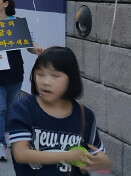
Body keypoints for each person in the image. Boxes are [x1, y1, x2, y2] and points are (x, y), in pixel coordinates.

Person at [9, 47, 111, 175]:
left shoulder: (85, 115)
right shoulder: (24, 108)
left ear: (71, 79)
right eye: (40, 74)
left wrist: (102, 162)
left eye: (55, 76)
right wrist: (69, 156)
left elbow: (99, 156)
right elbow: (21, 154)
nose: (45, 82)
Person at [0, 0, 43, 161]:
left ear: (5, 3)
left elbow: (29, 43)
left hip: (14, 72)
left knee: (11, 107)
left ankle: (8, 133)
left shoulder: (17, 23)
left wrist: (36, 48)